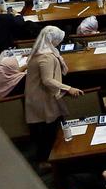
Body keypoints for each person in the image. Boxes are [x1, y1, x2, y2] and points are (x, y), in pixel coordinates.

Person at [24, 26, 83, 163]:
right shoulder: (46, 57)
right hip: (42, 97)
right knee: (48, 130)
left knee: (49, 128)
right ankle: (47, 159)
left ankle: (48, 157)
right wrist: (68, 88)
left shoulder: (39, 51)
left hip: (39, 95)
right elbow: (47, 80)